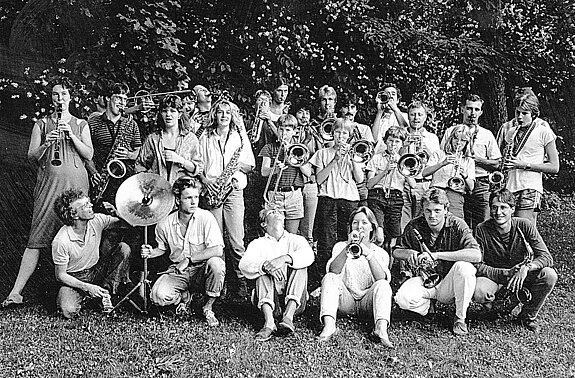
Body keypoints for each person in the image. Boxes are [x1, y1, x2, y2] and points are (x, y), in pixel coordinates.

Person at [2, 79, 94, 308]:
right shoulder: (41, 124)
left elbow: (89, 154)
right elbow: (31, 157)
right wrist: (47, 144)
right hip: (48, 187)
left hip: (77, 187)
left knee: (80, 234)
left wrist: (70, 135)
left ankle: (82, 288)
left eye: (63, 94)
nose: (59, 99)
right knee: (37, 239)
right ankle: (16, 292)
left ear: (70, 97)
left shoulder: (81, 124)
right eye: (55, 95)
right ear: (51, 98)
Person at [393, 188, 481, 336]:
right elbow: (396, 251)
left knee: (464, 268)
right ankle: (429, 307)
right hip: (425, 279)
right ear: (423, 210)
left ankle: (460, 317)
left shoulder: (458, 224)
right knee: (403, 299)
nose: (432, 215)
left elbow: (476, 255)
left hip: (450, 282)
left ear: (446, 209)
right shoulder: (415, 224)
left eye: (437, 210)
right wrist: (410, 253)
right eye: (428, 211)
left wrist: (437, 255)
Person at [141, 177, 225, 326]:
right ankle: (186, 298)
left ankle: (208, 307)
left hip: (202, 269)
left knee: (216, 264)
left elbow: (217, 249)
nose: (194, 202)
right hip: (179, 271)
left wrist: (189, 259)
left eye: (196, 197)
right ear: (178, 200)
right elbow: (162, 249)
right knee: (157, 296)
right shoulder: (164, 223)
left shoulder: (206, 217)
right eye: (188, 198)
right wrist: (150, 252)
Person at [473, 189, 557, 332]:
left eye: (503, 207)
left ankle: (527, 317)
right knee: (480, 290)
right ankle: (499, 307)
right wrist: (506, 273)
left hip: (522, 274)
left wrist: (526, 268)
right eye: (494, 207)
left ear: (512, 209)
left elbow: (546, 257)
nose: (498, 212)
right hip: (497, 277)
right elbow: (477, 265)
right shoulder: (482, 229)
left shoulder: (524, 224)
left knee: (549, 275)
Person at [198, 98, 255, 299]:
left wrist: (236, 166)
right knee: (215, 240)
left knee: (236, 240)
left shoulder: (240, 136)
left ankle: (241, 284)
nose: (224, 116)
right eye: (220, 112)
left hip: (233, 189)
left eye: (228, 113)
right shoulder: (205, 135)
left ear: (232, 116)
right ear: (215, 114)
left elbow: (250, 165)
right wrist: (206, 182)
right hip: (211, 188)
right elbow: (198, 164)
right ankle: (217, 286)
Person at [317, 206, 393, 347]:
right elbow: (333, 271)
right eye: (355, 223)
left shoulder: (380, 253)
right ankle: (329, 325)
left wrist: (368, 253)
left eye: (364, 223)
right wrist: (347, 248)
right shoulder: (340, 246)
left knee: (383, 285)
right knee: (329, 278)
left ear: (372, 227)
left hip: (368, 303)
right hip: (347, 301)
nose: (359, 227)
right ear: (350, 227)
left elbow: (381, 279)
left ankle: (381, 329)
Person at [51, 188, 131, 319]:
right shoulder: (61, 240)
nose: (91, 206)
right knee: (68, 310)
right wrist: (87, 287)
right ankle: (92, 297)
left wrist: (117, 212)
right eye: (85, 205)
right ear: (74, 214)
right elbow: (60, 276)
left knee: (123, 249)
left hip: (95, 270)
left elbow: (127, 224)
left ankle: (107, 293)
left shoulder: (97, 220)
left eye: (89, 202)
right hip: (75, 279)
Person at [239, 208, 314, 341]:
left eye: (280, 212)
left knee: (300, 266)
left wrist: (284, 258)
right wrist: (265, 266)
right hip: (269, 300)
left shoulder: (296, 240)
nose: (278, 213)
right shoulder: (258, 243)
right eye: (272, 212)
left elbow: (309, 255)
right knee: (261, 271)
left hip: (294, 302)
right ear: (264, 224)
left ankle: (288, 318)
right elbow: (244, 264)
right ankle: (269, 323)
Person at [308, 118, 364, 286]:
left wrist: (353, 158)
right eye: (338, 132)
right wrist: (335, 160)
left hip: (349, 200)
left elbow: (360, 179)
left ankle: (347, 280)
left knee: (347, 238)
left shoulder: (356, 154)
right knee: (326, 241)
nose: (341, 136)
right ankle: (325, 281)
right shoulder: (323, 153)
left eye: (344, 133)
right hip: (328, 199)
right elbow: (319, 179)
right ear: (332, 133)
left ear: (349, 135)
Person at [441, 95, 501, 229]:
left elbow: (497, 163)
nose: (472, 113)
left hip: (480, 182)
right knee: (457, 222)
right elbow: (442, 155)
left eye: (476, 109)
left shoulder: (487, 134)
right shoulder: (451, 131)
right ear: (462, 109)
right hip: (456, 182)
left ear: (481, 112)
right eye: (469, 109)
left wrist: (476, 160)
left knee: (482, 223)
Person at [500, 92, 560, 225]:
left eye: (525, 113)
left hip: (530, 187)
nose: (520, 117)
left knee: (524, 229)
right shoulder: (511, 131)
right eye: (517, 112)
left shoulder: (543, 132)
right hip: (511, 186)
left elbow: (554, 167)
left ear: (534, 114)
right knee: (508, 229)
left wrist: (523, 165)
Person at [86, 82, 142, 207]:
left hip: (124, 181)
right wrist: (93, 173)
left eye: (125, 99)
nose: (122, 103)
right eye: (119, 98)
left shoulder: (131, 124)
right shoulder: (93, 122)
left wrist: (130, 155)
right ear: (107, 98)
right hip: (100, 178)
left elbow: (139, 151)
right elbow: (86, 152)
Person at [260, 114, 312, 234]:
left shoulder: (300, 149)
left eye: (288, 130)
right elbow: (264, 172)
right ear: (277, 130)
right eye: (281, 129)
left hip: (293, 195)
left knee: (291, 235)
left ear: (294, 132)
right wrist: (276, 169)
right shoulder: (269, 148)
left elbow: (308, 173)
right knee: (275, 233)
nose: (284, 133)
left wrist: (294, 154)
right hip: (275, 194)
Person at [366, 127, 415, 254]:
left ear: (402, 144)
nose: (393, 144)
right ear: (385, 141)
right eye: (390, 141)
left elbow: (413, 185)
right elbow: (369, 184)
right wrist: (384, 172)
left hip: (396, 198)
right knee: (379, 237)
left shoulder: (405, 161)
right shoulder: (376, 158)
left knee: (393, 239)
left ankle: (389, 268)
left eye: (397, 142)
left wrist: (404, 170)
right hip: (377, 196)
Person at [135, 94, 203, 184]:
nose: (168, 114)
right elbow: (140, 166)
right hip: (157, 192)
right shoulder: (153, 139)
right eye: (164, 111)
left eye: (173, 111)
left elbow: (198, 168)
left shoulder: (190, 139)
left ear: (180, 114)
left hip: (181, 192)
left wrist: (180, 160)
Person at [400, 101, 441, 231]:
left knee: (421, 223)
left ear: (425, 117)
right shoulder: (402, 135)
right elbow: (396, 158)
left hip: (424, 184)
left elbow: (436, 161)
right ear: (408, 116)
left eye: (419, 114)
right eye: (412, 115)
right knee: (404, 222)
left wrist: (425, 149)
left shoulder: (432, 137)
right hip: (405, 183)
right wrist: (405, 145)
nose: (416, 118)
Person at [423, 124, 475, 220]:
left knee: (455, 224)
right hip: (436, 193)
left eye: (463, 140)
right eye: (456, 138)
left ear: (467, 143)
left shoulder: (468, 160)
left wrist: (465, 175)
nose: (459, 143)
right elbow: (424, 173)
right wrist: (443, 163)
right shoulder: (439, 154)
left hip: (455, 195)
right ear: (451, 138)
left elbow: (471, 187)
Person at [295, 105, 319, 249]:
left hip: (310, 183)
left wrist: (315, 138)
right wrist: (305, 140)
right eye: (300, 111)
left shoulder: (315, 131)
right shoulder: (291, 130)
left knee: (308, 230)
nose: (304, 116)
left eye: (307, 113)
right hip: (295, 185)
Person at [372, 83, 408, 153]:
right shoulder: (379, 119)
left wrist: (395, 109)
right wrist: (379, 112)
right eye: (387, 94)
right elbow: (373, 139)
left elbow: (407, 132)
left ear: (397, 100)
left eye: (393, 94)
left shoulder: (405, 116)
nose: (390, 97)